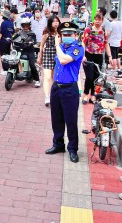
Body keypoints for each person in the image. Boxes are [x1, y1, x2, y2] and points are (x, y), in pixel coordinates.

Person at [45, 22, 84, 163]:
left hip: (69, 89)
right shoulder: (61, 47)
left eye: (69, 34)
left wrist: (56, 45)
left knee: (71, 121)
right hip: (57, 87)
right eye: (64, 34)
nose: (66, 36)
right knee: (56, 119)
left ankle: (72, 149)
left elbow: (62, 61)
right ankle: (58, 144)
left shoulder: (77, 49)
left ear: (75, 35)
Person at [81, 13, 112, 104]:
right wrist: (83, 55)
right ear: (94, 20)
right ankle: (86, 94)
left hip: (99, 56)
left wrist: (110, 57)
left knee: (96, 78)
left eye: (99, 20)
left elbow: (106, 44)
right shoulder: (88, 30)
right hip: (88, 55)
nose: (97, 21)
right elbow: (83, 42)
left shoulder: (104, 32)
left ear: (102, 21)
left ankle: (93, 95)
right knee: (89, 77)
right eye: (96, 19)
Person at [38, 16, 61, 106]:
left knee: (54, 78)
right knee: (47, 77)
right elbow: (41, 45)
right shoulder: (46, 32)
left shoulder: (60, 32)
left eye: (57, 21)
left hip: (58, 56)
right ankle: (47, 97)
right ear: (50, 23)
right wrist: (40, 57)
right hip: (47, 55)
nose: (56, 23)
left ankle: (52, 96)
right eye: (54, 21)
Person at [13, 17, 41, 87]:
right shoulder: (20, 32)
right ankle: (15, 74)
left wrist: (31, 42)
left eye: (27, 25)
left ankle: (37, 80)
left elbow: (34, 41)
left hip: (29, 51)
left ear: (29, 25)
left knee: (32, 65)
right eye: (23, 25)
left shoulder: (32, 33)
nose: (25, 27)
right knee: (14, 61)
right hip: (20, 50)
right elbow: (14, 36)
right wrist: (10, 39)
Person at [0, 10, 15, 75]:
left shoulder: (3, 23)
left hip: (3, 41)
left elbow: (1, 34)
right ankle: (8, 68)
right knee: (8, 54)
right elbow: (13, 32)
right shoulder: (11, 23)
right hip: (9, 41)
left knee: (3, 55)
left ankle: (5, 69)